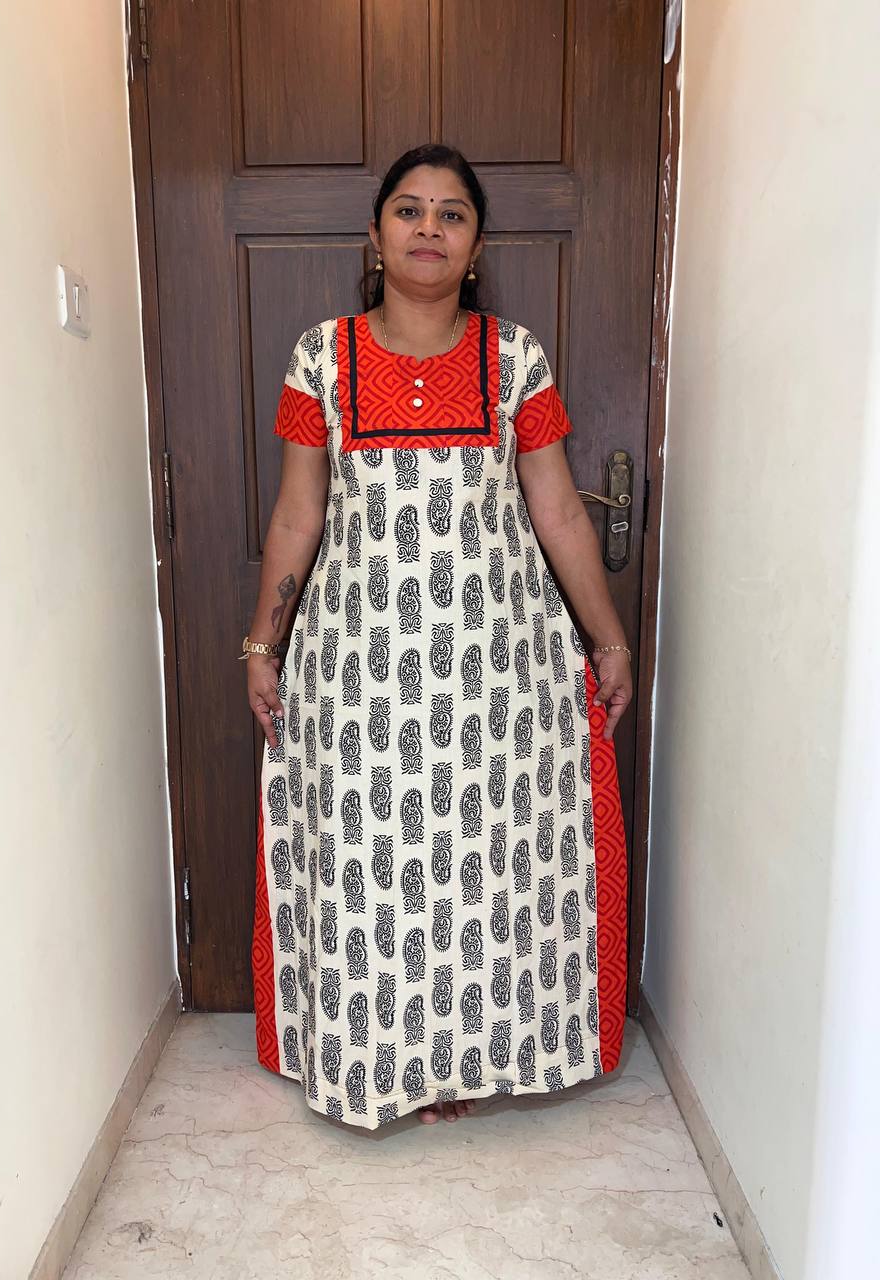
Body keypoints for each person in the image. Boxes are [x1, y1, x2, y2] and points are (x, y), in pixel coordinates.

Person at [244, 144, 632, 1130]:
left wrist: (608, 639)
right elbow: (296, 513)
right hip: (359, 666)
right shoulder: (322, 357)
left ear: (476, 245)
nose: (429, 227)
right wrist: (261, 645)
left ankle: (467, 1058)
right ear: (375, 237)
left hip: (496, 666)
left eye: (451, 213)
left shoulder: (514, 358)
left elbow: (559, 510)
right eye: (409, 210)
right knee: (371, 859)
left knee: (487, 857)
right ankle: (379, 1061)